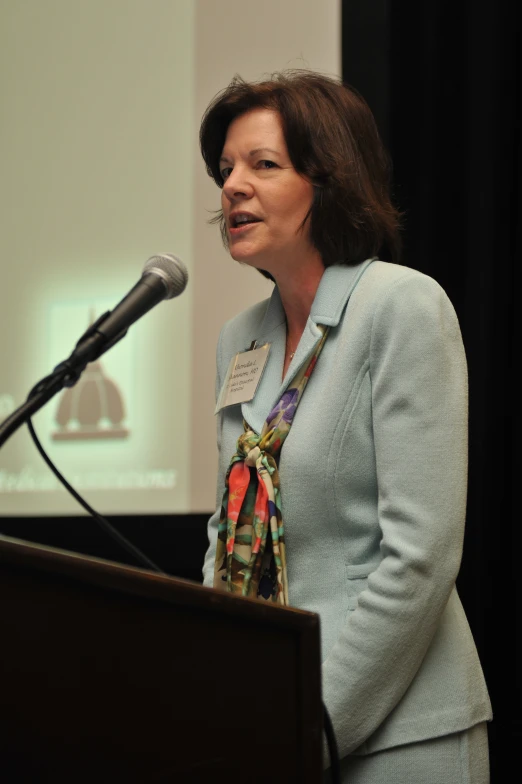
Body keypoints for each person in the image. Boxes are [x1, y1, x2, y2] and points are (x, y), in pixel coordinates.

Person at [200, 70, 492, 782]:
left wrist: (315, 721)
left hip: (395, 731)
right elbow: (224, 531)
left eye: (263, 165)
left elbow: (421, 556)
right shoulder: (240, 339)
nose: (233, 186)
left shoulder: (401, 307)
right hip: (266, 725)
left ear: (328, 180)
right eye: (227, 168)